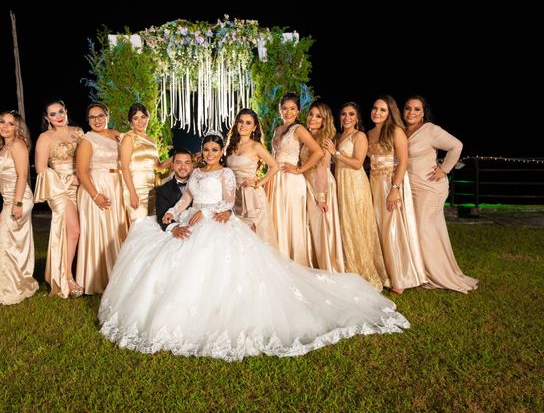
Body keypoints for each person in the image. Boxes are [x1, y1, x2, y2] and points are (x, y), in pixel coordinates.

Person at [98, 132, 409, 361]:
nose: (209, 153)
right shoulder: (194, 173)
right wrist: (172, 213)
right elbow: (186, 198)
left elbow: (229, 201)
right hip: (195, 219)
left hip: (218, 223)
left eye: (214, 149)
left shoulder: (226, 172)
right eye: (205, 150)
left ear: (221, 151)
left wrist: (212, 213)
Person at [403, 95, 478, 293]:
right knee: (425, 229)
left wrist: (444, 169)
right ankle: (421, 270)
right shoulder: (402, 131)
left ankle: (434, 274)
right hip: (411, 187)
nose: (411, 112)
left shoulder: (430, 130)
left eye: (417, 109)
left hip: (430, 187)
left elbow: (457, 146)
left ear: (423, 112)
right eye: (408, 108)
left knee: (423, 229)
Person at [324, 102, 388, 291]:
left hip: (356, 184)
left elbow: (358, 163)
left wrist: (335, 152)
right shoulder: (338, 136)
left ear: (357, 117)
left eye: (351, 114)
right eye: (343, 114)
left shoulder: (359, 136)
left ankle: (364, 270)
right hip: (341, 183)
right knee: (346, 225)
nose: (347, 117)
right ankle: (348, 267)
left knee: (357, 224)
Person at [367, 96, 426, 294]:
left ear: (390, 112)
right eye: (375, 108)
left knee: (393, 228)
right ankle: (385, 274)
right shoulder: (369, 133)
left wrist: (395, 189)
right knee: (379, 228)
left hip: (392, 183)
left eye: (383, 110)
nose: (377, 112)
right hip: (374, 183)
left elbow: (403, 161)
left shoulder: (395, 131)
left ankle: (400, 278)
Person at [75, 103, 128, 295]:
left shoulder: (116, 135)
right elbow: (81, 172)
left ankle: (119, 276)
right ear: (88, 120)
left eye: (100, 116)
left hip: (116, 186)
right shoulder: (87, 140)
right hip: (96, 187)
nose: (96, 120)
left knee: (116, 230)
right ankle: (96, 279)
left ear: (108, 115)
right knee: (99, 233)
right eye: (92, 117)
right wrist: (95, 195)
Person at [266, 93, 323, 266]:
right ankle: (278, 260)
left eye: (292, 109)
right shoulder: (278, 129)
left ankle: (295, 262)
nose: (288, 112)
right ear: (280, 110)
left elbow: (318, 151)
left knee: (290, 219)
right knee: (276, 219)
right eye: (285, 108)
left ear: (298, 111)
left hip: (290, 180)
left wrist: (299, 170)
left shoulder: (298, 129)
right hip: (275, 179)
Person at [34, 100, 84, 298]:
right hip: (59, 188)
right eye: (53, 114)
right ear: (47, 118)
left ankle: (78, 269)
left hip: (81, 186)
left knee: (81, 232)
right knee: (74, 230)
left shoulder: (78, 132)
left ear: (66, 111)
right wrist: (68, 180)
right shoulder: (45, 137)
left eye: (61, 111)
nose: (58, 116)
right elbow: (41, 170)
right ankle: (67, 278)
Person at [0, 111, 39, 305]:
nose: (5, 126)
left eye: (11, 123)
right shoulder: (3, 147)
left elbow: (22, 175)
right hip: (7, 200)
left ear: (18, 128)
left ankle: (14, 287)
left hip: (20, 199)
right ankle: (9, 283)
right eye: (2, 122)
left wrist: (17, 203)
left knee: (0, 239)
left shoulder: (18, 144)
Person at [225, 108, 278, 248]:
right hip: (234, 197)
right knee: (238, 238)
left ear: (254, 127)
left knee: (255, 238)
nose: (243, 125)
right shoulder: (230, 146)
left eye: (248, 123)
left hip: (251, 197)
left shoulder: (256, 146)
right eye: (241, 121)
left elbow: (274, 166)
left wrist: (258, 183)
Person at [302, 101, 344, 272]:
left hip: (321, 185)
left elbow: (322, 168)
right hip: (308, 184)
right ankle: (314, 264)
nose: (313, 118)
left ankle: (328, 266)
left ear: (324, 120)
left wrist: (321, 196)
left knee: (321, 226)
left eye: (318, 116)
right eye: (311, 114)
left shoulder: (325, 140)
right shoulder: (307, 137)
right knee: (311, 226)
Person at [119, 103, 171, 223]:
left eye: (143, 117)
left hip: (151, 190)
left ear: (148, 117)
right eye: (135, 118)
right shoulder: (129, 138)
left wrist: (172, 160)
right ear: (130, 122)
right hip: (135, 188)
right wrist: (132, 193)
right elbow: (124, 167)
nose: (140, 121)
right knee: (139, 226)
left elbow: (157, 167)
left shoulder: (152, 140)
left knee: (151, 226)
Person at [155, 148, 195, 239]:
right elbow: (161, 215)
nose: (183, 167)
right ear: (172, 165)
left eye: (187, 163)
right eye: (178, 162)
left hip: (200, 226)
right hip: (178, 229)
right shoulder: (163, 190)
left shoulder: (201, 184)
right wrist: (174, 228)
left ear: (192, 166)